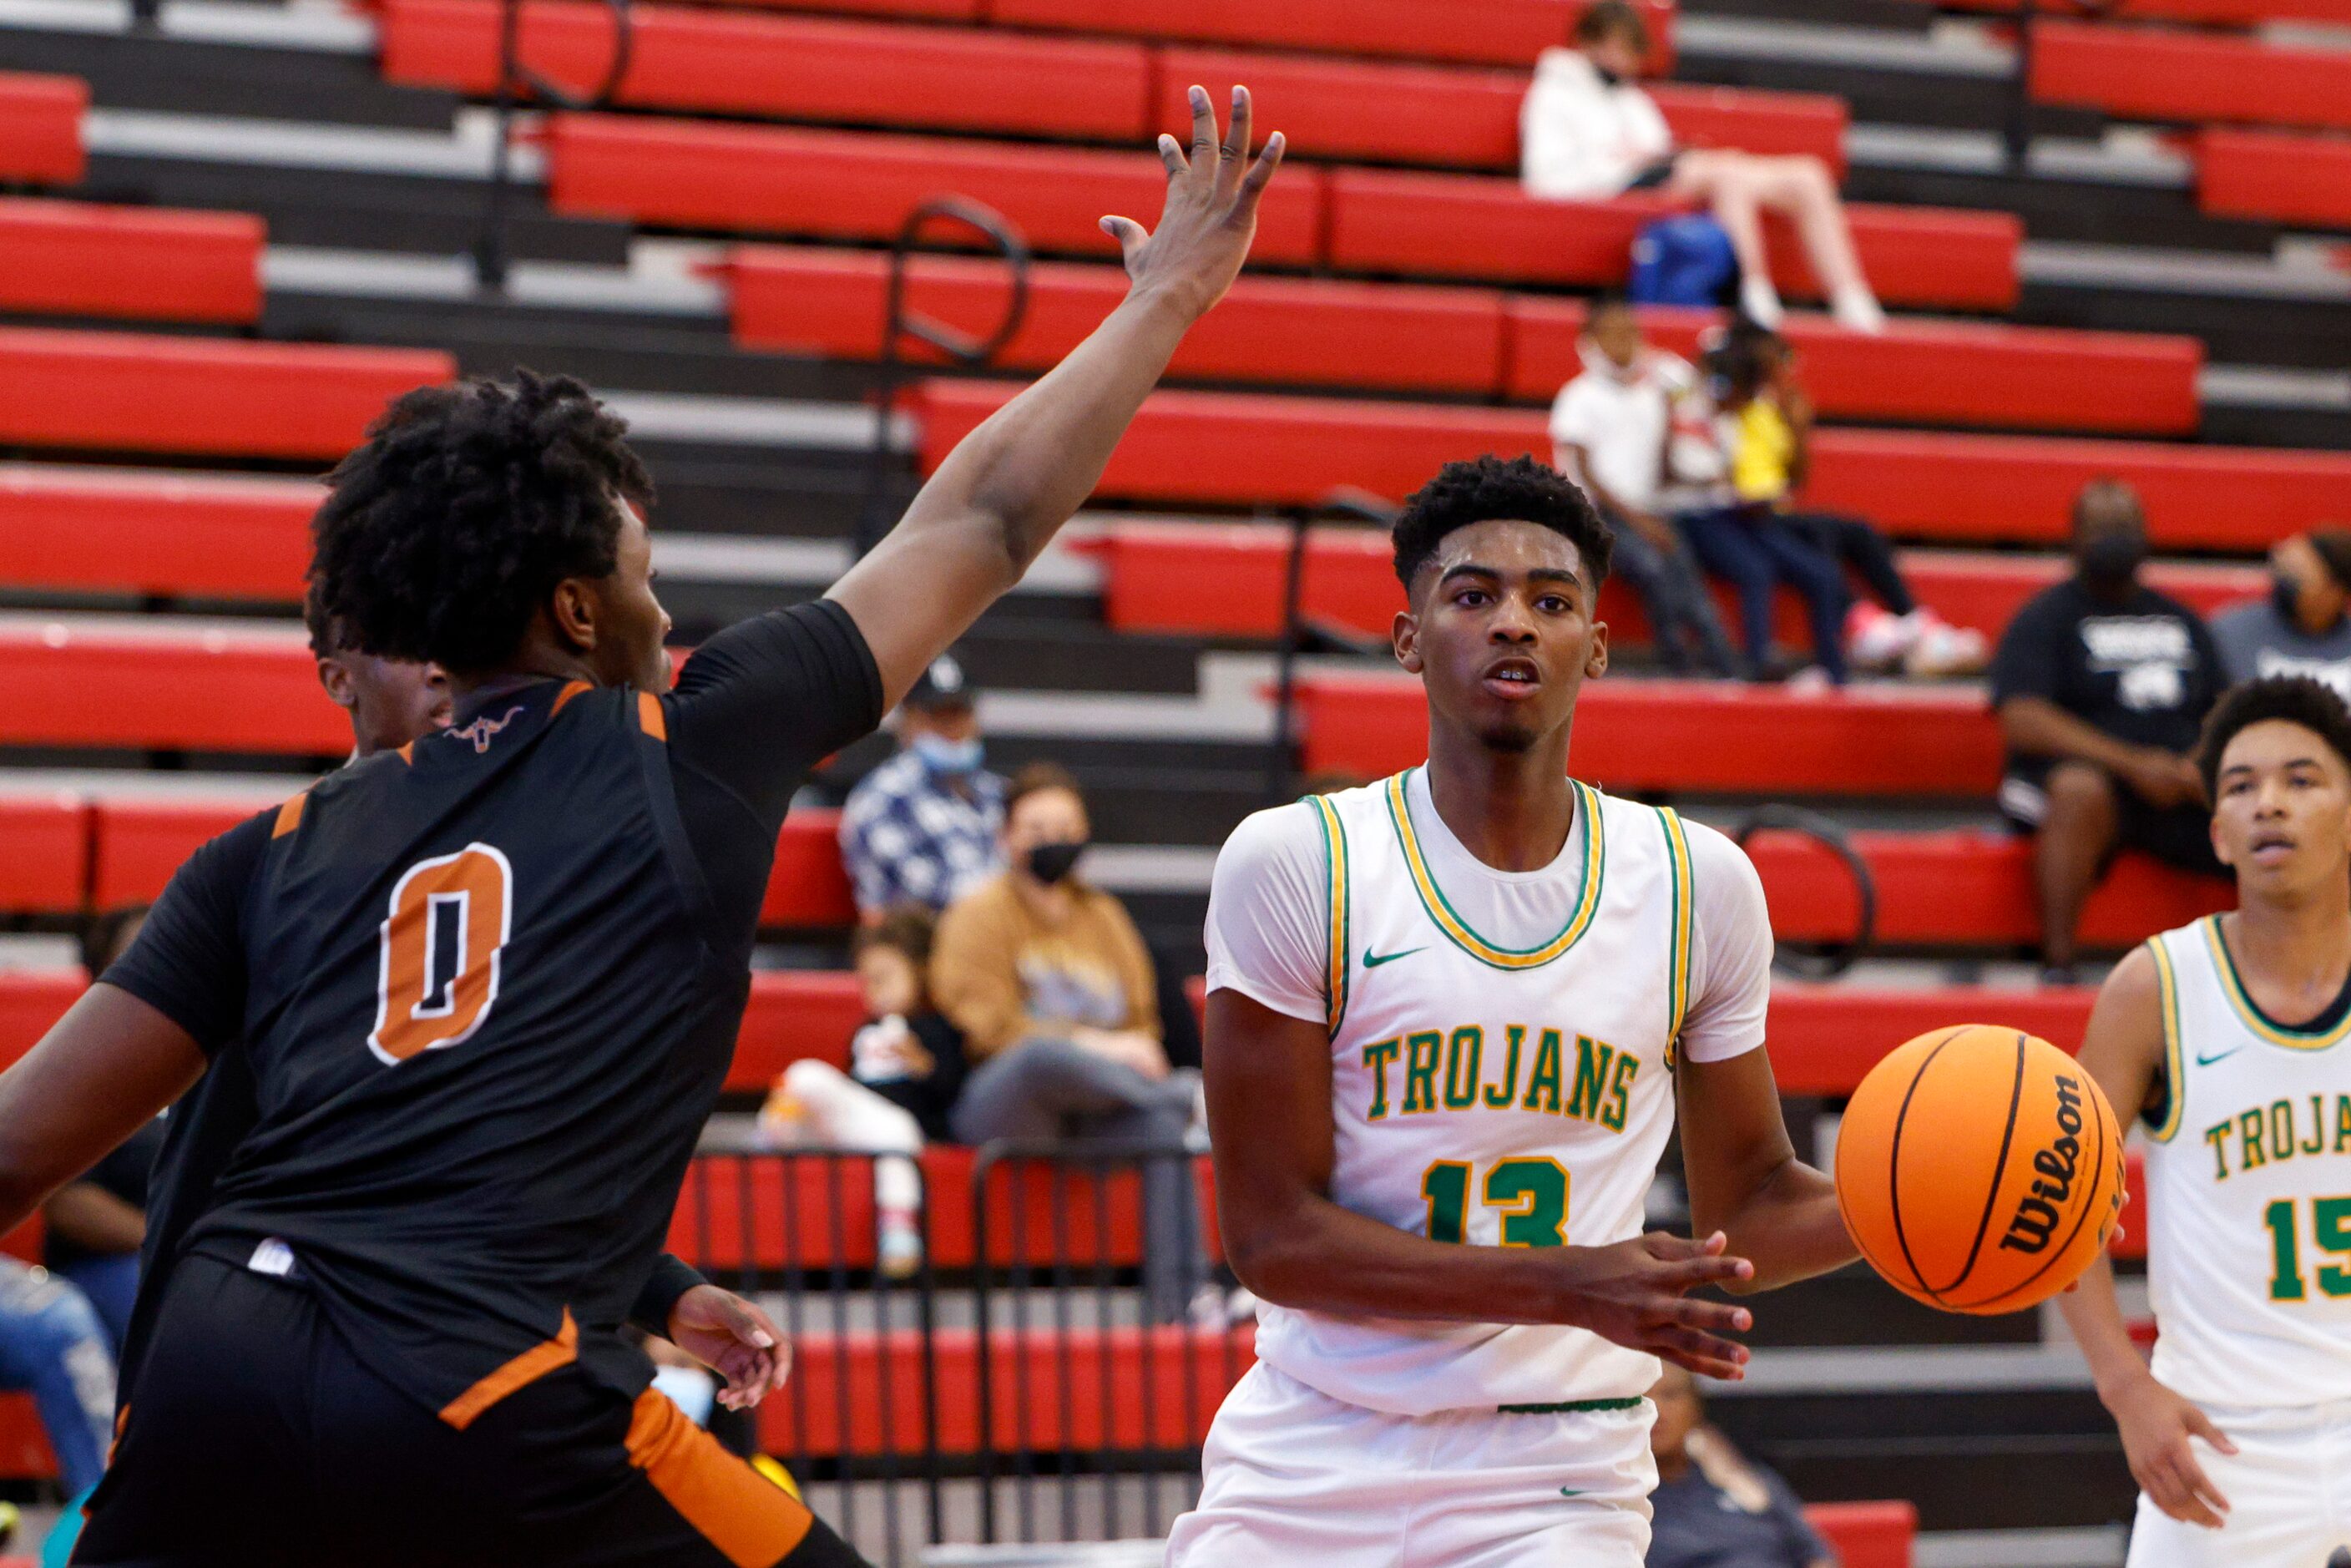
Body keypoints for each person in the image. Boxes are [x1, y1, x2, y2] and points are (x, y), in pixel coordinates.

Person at [0, 84, 1280, 1568]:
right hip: (477, 1382)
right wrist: (1170, 298)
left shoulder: (269, 847)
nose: (665, 610)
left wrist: (650, 1276)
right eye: (645, 571)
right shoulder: (688, 739)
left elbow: (28, 1143)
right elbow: (980, 521)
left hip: (214, 1374)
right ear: (574, 607)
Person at [1166, 455, 1858, 1565]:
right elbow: (1272, 1235)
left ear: (1597, 646)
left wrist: (1923, 1203)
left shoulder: (1700, 884)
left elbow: (1758, 1203)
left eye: (1552, 600)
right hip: (1312, 1444)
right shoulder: (1299, 862)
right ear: (1408, 639)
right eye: (1473, 594)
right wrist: (1569, 1282)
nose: (1515, 624)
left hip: (1556, 1472)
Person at [2055, 675, 2351, 1566]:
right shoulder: (2154, 987)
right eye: (2239, 785)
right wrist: (2123, 1388)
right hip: (2220, 1450)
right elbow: (2043, 1213)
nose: (2269, 803)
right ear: (2217, 832)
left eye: (2301, 780)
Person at [932, 763, 1205, 1320]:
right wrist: (1098, 1048)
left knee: (1160, 1130)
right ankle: (1189, 1099)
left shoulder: (1105, 916)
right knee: (1042, 1056)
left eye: (1064, 828)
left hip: (1096, 1109)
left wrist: (1126, 1054)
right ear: (1005, 838)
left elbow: (1143, 1026)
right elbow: (990, 1029)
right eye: (1036, 829)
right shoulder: (977, 914)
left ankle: (1181, 1307)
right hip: (1007, 1103)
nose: (1052, 841)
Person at [1520, 2, 1885, 333]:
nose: (1619, 59)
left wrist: (1660, 156)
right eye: (1612, 46)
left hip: (1659, 172)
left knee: (1808, 175)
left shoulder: (1631, 99)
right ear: (1587, 42)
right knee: (1726, 174)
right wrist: (1622, 162)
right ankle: (1754, 298)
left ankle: (1853, 300)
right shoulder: (1552, 94)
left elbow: (1659, 149)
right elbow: (1548, 178)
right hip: (1611, 187)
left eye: (1627, 49)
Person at [1992, 479, 2228, 983]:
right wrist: (2134, 764)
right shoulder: (2045, 617)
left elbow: (2227, 709)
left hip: (2179, 787)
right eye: (2101, 527)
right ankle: (2058, 969)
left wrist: (2196, 768)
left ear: (2147, 535)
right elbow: (2023, 719)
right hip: (2095, 790)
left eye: (2124, 526)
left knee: (2285, 796)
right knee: (2078, 791)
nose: (2114, 537)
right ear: (2073, 537)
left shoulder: (2181, 617)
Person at [1720, 321, 1984, 680]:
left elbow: (1794, 479)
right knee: (1820, 539)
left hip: (1774, 507)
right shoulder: (1729, 404)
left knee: (1859, 530)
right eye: (1781, 359)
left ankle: (1915, 619)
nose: (1789, 368)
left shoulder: (1772, 408)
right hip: (1741, 513)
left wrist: (1797, 429)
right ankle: (1860, 624)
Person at [758, 909, 967, 1277]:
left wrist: (923, 1065)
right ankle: (768, 1136)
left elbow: (951, 1090)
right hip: (855, 1127)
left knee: (897, 1137)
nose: (876, 991)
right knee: (805, 1073)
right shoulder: (863, 1032)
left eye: (885, 979)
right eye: (867, 982)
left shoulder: (937, 1030)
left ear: (920, 971)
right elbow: (851, 1087)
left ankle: (899, 1229)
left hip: (904, 1128)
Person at [1550, 293, 1738, 676]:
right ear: (1590, 339)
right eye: (1612, 332)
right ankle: (1679, 664)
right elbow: (1587, 475)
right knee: (1653, 569)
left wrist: (1705, 480)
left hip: (1649, 509)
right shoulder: (1578, 396)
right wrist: (1639, 520)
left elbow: (1665, 462)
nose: (1624, 340)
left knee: (1688, 575)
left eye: (1630, 331)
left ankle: (1725, 665)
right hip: (1599, 516)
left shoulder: (1653, 393)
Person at [1671, 336, 1849, 685]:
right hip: (1694, 515)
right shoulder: (1680, 409)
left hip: (1739, 513)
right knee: (1756, 570)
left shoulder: (1736, 421)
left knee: (1824, 573)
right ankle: (1758, 664)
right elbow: (1671, 473)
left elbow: (1775, 478)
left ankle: (1835, 673)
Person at [838, 652, 1006, 922]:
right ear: (906, 720)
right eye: (937, 714)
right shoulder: (882, 799)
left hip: (997, 941)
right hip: (918, 946)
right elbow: (931, 894)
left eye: (959, 712)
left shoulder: (997, 792)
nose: (951, 727)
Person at [1647, 1365, 1836, 1568]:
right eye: (1641, 1400)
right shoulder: (1620, 1500)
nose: (1657, 1411)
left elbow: (1817, 1555)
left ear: (1695, 1406)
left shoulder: (1748, 1479)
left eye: (1670, 1395)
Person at [2209, 528, 2351, 696]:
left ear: (2336, 593)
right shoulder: (2229, 633)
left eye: (2298, 578)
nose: (2286, 584)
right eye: (2285, 573)